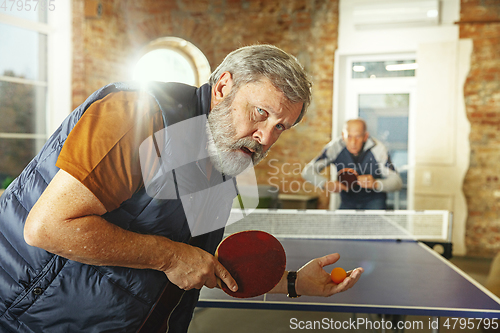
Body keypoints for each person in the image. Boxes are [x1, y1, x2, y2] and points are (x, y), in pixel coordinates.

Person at [0, 45, 364, 333]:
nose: (266, 138)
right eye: (260, 113)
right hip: (27, 320)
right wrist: (170, 256)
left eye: (281, 127)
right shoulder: (136, 115)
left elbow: (196, 265)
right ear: (222, 87)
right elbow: (48, 226)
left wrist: (292, 282)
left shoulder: (223, 158)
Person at [302, 118, 402, 210]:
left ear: (365, 136)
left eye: (358, 136)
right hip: (347, 203)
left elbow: (397, 182)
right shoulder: (334, 147)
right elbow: (307, 171)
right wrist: (326, 184)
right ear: (342, 135)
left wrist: (376, 184)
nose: (353, 142)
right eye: (349, 136)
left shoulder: (379, 149)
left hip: (375, 203)